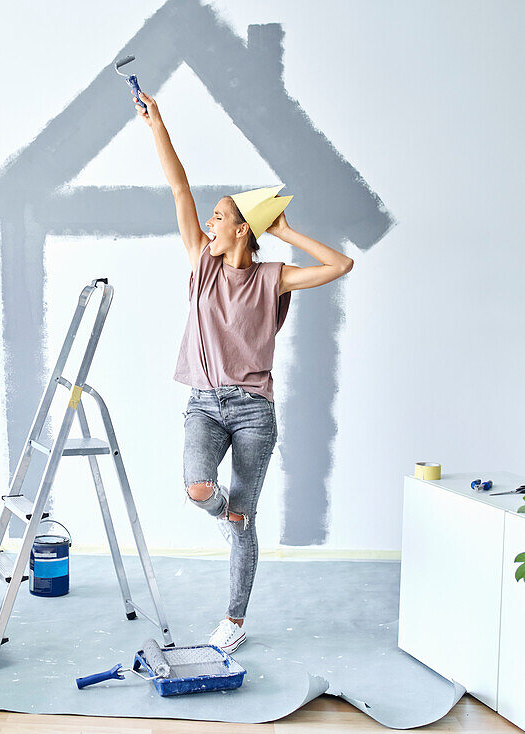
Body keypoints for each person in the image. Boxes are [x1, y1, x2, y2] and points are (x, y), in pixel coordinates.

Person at [133, 89, 354, 654]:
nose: (210, 220)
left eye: (221, 216)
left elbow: (341, 264)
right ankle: (227, 510)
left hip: (255, 411)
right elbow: (179, 187)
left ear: (241, 232)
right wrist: (158, 122)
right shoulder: (202, 264)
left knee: (242, 521)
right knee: (201, 489)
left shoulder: (273, 275)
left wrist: (285, 232)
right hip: (204, 403)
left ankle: (234, 619)